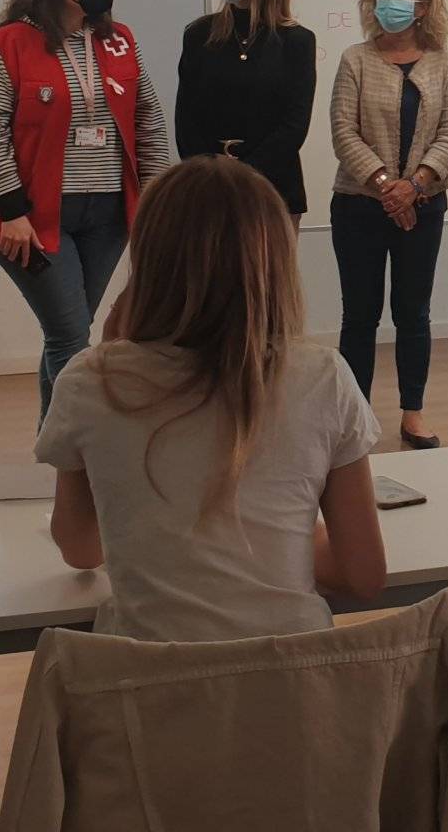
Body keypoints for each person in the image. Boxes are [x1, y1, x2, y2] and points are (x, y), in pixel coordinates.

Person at [36, 157, 385, 642]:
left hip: (145, 695)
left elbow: (80, 549)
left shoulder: (90, 381)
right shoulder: (322, 376)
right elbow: (363, 574)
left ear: (146, 261)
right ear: (275, 262)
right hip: (292, 695)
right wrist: (282, 535)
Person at [0, 0, 175, 418]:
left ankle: (52, 453)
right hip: (36, 217)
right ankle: (78, 458)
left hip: (108, 213)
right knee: (71, 338)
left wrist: (155, 199)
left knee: (69, 331)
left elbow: (148, 118)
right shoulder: (9, 44)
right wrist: (13, 211)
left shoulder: (121, 39)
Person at [327, 0, 448, 450]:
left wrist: (416, 186)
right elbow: (343, 131)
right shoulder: (355, 59)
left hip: (424, 206)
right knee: (359, 316)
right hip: (358, 205)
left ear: (422, 6)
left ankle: (413, 413)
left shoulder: (443, 63)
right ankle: (356, 418)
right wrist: (389, 186)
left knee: (413, 313)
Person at [175, 0, 317, 226]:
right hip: (207, 186)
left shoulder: (296, 41)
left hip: (273, 186)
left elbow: (294, 125)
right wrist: (212, 175)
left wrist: (245, 174)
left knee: (266, 274)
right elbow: (186, 117)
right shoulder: (200, 34)